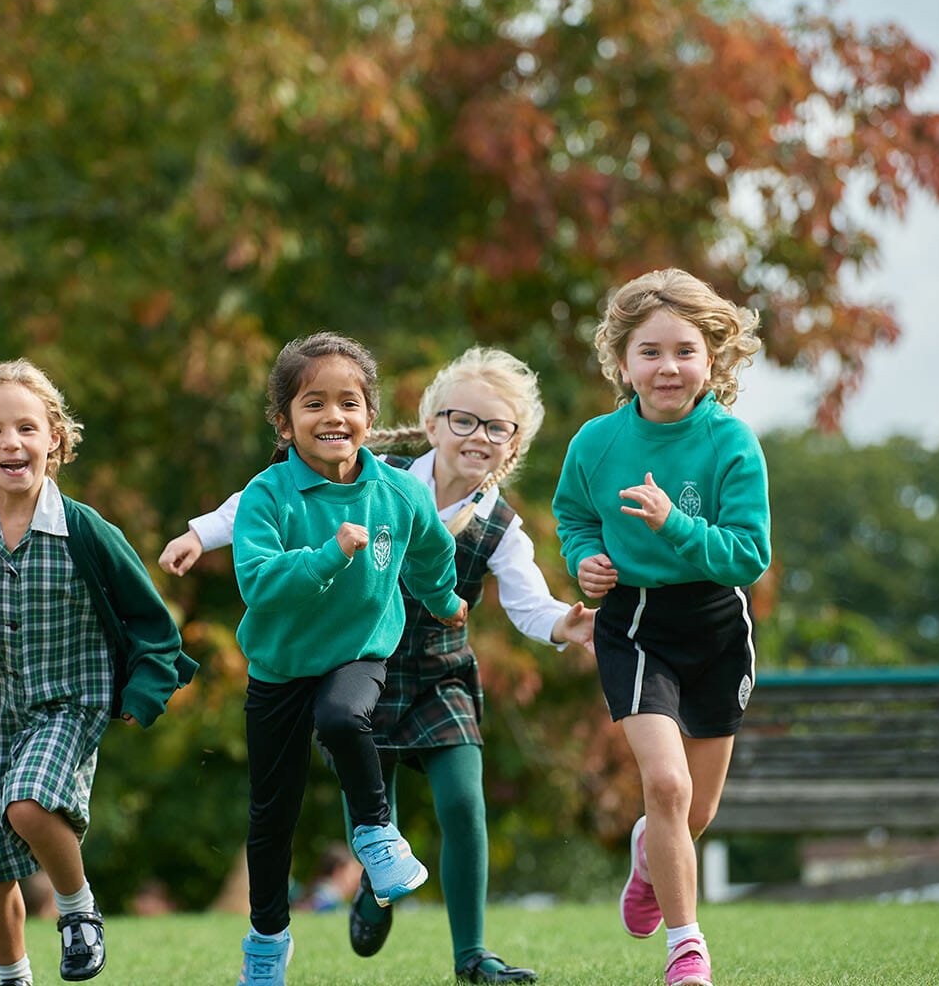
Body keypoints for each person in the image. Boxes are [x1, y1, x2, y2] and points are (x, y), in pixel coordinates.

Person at [162, 346, 595, 984]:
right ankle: (370, 881)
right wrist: (201, 532)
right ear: (432, 421)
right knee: (348, 774)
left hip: (430, 669)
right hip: (343, 654)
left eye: (497, 427)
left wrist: (564, 623)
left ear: (515, 443)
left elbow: (525, 600)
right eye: (463, 420)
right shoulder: (382, 474)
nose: (478, 436)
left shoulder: (500, 525)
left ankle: (471, 954)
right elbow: (257, 506)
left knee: (462, 800)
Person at [0, 359, 196, 986]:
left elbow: (152, 622)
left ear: (54, 439)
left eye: (28, 428)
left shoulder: (86, 531)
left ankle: (78, 909)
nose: (12, 442)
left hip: (68, 700)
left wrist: (141, 693)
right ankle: (13, 977)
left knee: (30, 805)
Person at [181, 331, 467, 986]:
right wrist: (331, 553)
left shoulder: (399, 493)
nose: (333, 417)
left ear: (370, 415)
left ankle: (375, 835)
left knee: (343, 718)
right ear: (284, 423)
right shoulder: (266, 495)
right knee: (271, 816)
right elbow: (258, 584)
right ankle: (267, 940)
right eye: (314, 404)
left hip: (357, 650)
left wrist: (445, 598)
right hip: (280, 664)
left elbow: (429, 554)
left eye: (349, 403)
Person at [552, 269, 768, 986]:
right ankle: (688, 952)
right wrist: (586, 562)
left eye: (684, 350)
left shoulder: (732, 444)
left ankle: (652, 855)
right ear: (622, 363)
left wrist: (675, 524)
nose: (667, 367)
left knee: (692, 813)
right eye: (649, 351)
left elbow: (749, 555)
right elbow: (575, 517)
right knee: (667, 787)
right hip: (634, 625)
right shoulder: (595, 442)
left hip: (715, 627)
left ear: (712, 360)